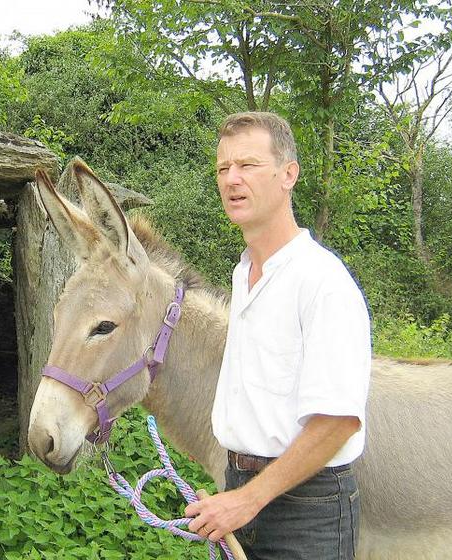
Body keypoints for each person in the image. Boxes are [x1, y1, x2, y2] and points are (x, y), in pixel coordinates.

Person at [185, 112, 371, 560]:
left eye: (247, 165)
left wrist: (247, 500)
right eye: (222, 168)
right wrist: (236, 493)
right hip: (243, 489)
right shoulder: (243, 273)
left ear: (289, 174)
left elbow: (337, 422)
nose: (231, 179)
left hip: (307, 509)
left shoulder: (322, 280)